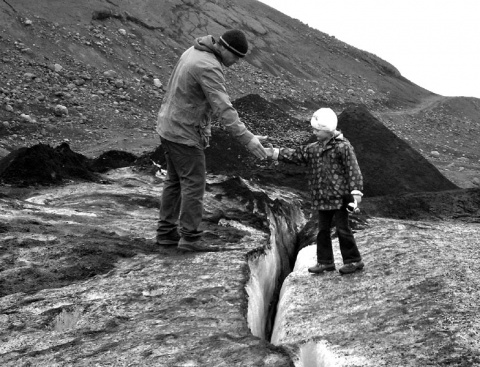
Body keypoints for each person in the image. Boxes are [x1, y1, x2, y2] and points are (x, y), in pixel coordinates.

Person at [155, 29, 267, 252]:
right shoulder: (208, 66)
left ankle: (166, 233)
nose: (236, 62)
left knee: (175, 181)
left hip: (169, 126)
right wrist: (248, 139)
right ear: (224, 48)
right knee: (194, 184)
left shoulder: (193, 51)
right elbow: (224, 109)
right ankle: (190, 238)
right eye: (235, 56)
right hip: (184, 132)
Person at [266, 108, 364, 274]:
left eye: (317, 130)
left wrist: (356, 192)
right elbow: (295, 155)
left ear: (327, 130)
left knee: (343, 229)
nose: (314, 132)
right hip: (322, 198)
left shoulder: (344, 148)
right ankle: (325, 262)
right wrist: (274, 153)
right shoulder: (313, 149)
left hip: (340, 198)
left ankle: (354, 260)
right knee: (322, 231)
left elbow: (353, 169)